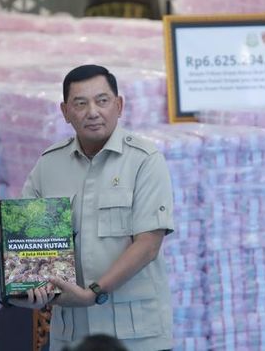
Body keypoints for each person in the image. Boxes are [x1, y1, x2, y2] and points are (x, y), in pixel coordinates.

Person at [13, 65, 175, 351]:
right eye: (80, 103)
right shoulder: (49, 165)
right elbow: (25, 240)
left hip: (136, 335)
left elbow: (149, 244)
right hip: (74, 333)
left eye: (102, 101)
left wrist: (93, 292)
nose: (92, 112)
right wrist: (33, 287)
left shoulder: (144, 160)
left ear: (119, 105)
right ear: (64, 112)